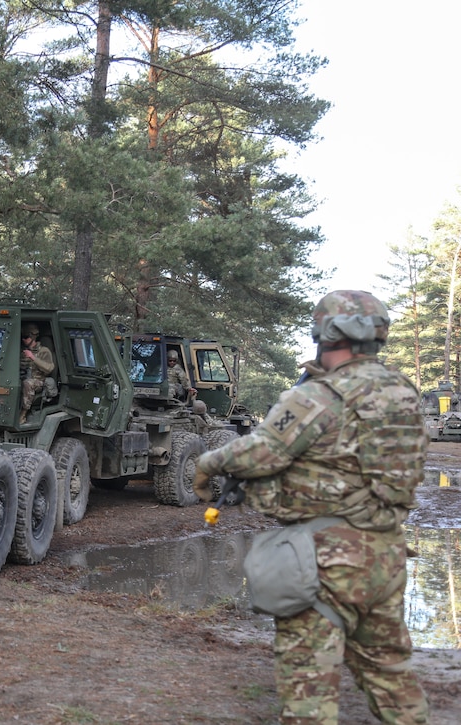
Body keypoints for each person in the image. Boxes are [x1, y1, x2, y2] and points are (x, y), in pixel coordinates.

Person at [193, 290, 429, 724]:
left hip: (326, 562)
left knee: (309, 692)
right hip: (387, 555)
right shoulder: (404, 393)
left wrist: (207, 464)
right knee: (391, 675)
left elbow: (261, 452)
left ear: (326, 332)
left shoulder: (319, 395)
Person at [19, 323, 55, 425]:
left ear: (33, 337)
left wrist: (33, 358)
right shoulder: (23, 352)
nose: (23, 340)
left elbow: (49, 368)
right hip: (24, 377)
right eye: (22, 337)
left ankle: (23, 413)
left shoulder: (44, 351)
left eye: (26, 337)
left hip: (39, 381)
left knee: (28, 383)